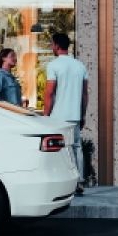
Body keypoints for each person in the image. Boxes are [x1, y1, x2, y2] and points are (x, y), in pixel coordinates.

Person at [43, 33, 89, 195]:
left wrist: (45, 116)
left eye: (51, 44)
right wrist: (83, 115)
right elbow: (84, 95)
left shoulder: (53, 65)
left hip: (58, 117)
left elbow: (49, 93)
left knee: (59, 150)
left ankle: (61, 184)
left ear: (56, 45)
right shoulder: (80, 66)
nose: (51, 47)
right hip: (74, 115)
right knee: (77, 148)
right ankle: (80, 182)